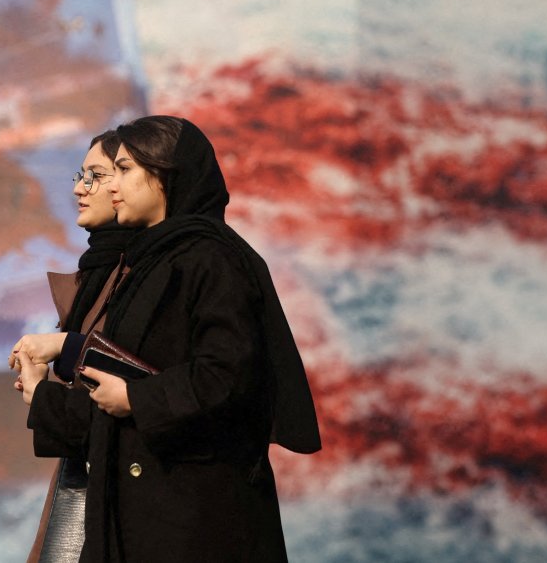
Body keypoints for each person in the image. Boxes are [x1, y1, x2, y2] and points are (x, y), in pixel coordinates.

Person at [16, 115, 320, 562]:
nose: (108, 186)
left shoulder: (212, 258)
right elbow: (129, 374)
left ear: (164, 178)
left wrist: (137, 399)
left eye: (123, 171)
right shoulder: (152, 263)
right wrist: (48, 388)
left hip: (195, 519)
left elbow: (228, 375)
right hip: (148, 508)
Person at [10, 130, 134, 563]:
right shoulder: (97, 275)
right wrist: (40, 391)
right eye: (84, 174)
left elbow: (132, 402)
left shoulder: (140, 277)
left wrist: (45, 393)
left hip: (124, 504)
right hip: (83, 482)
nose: (79, 188)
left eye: (101, 175)